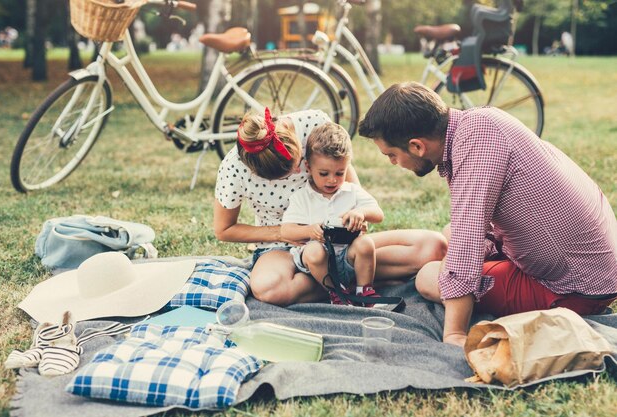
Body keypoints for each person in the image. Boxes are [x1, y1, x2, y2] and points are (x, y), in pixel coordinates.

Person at [358, 82, 617, 347]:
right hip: (590, 264)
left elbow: (465, 249)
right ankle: (355, 257)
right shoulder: (479, 122)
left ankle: (354, 266)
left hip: (574, 289)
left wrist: (454, 335)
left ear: (417, 146)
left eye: (391, 155)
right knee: (448, 235)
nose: (392, 162)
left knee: (428, 277)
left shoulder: (475, 151)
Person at [214, 107, 447, 306]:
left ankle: (351, 282)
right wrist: (293, 232)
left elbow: (344, 168)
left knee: (434, 247)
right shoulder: (233, 168)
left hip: (341, 241)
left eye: (297, 165)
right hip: (285, 248)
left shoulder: (314, 123)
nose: (296, 173)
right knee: (267, 288)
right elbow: (224, 230)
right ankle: (348, 287)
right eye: (284, 175)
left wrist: (356, 212)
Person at [281, 122, 385, 306]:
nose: (332, 180)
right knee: (313, 251)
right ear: (309, 167)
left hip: (347, 257)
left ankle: (364, 292)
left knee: (366, 243)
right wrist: (309, 231)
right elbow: (286, 231)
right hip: (319, 264)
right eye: (324, 173)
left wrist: (360, 212)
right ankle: (337, 293)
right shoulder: (302, 197)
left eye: (340, 173)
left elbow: (378, 214)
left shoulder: (351, 191)